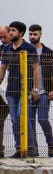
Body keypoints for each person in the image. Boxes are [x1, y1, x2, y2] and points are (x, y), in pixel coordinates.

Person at [0, 21, 40, 158]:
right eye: (9, 30)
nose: (10, 33)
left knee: (22, 117)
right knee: (14, 120)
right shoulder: (7, 49)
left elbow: (36, 70)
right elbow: (3, 70)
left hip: (26, 89)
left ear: (21, 33)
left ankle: (31, 148)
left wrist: (35, 88)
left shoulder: (29, 48)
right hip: (11, 90)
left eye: (13, 30)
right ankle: (19, 149)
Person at [27, 24, 53, 157]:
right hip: (29, 92)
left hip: (44, 92)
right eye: (30, 34)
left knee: (42, 119)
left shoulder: (48, 52)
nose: (32, 36)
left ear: (40, 35)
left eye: (35, 34)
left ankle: (50, 144)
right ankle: (34, 150)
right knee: (29, 121)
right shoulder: (26, 51)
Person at [0, 26, 9, 156]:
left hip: (12, 90)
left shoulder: (20, 50)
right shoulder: (2, 50)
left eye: (4, 36)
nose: (2, 39)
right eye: (0, 37)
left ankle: (22, 148)